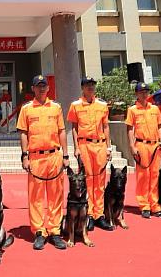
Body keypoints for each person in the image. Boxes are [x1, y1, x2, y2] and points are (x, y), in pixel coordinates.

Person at [17, 75, 69, 251]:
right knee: (36, 197)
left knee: (56, 195)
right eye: (38, 86)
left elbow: (62, 131)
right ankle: (39, 231)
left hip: (54, 155)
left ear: (48, 88)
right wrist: (24, 156)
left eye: (44, 86)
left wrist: (66, 154)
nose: (41, 89)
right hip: (35, 157)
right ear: (33, 88)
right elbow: (23, 133)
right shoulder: (26, 109)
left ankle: (54, 230)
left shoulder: (56, 107)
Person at [67, 75, 113, 231]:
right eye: (87, 85)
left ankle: (99, 214)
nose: (90, 87)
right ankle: (89, 214)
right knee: (86, 181)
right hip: (84, 145)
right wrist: (76, 147)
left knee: (100, 181)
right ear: (82, 88)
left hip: (100, 145)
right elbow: (74, 127)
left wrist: (109, 147)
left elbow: (106, 127)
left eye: (92, 84)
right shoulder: (75, 105)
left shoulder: (102, 105)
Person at [125, 82, 161, 219]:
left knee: (154, 175)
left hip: (155, 145)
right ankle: (144, 205)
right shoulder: (132, 110)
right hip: (141, 145)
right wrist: (132, 146)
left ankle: (155, 204)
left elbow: (160, 126)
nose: (144, 94)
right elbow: (130, 129)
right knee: (143, 176)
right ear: (136, 94)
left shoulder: (155, 109)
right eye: (141, 92)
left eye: (146, 91)